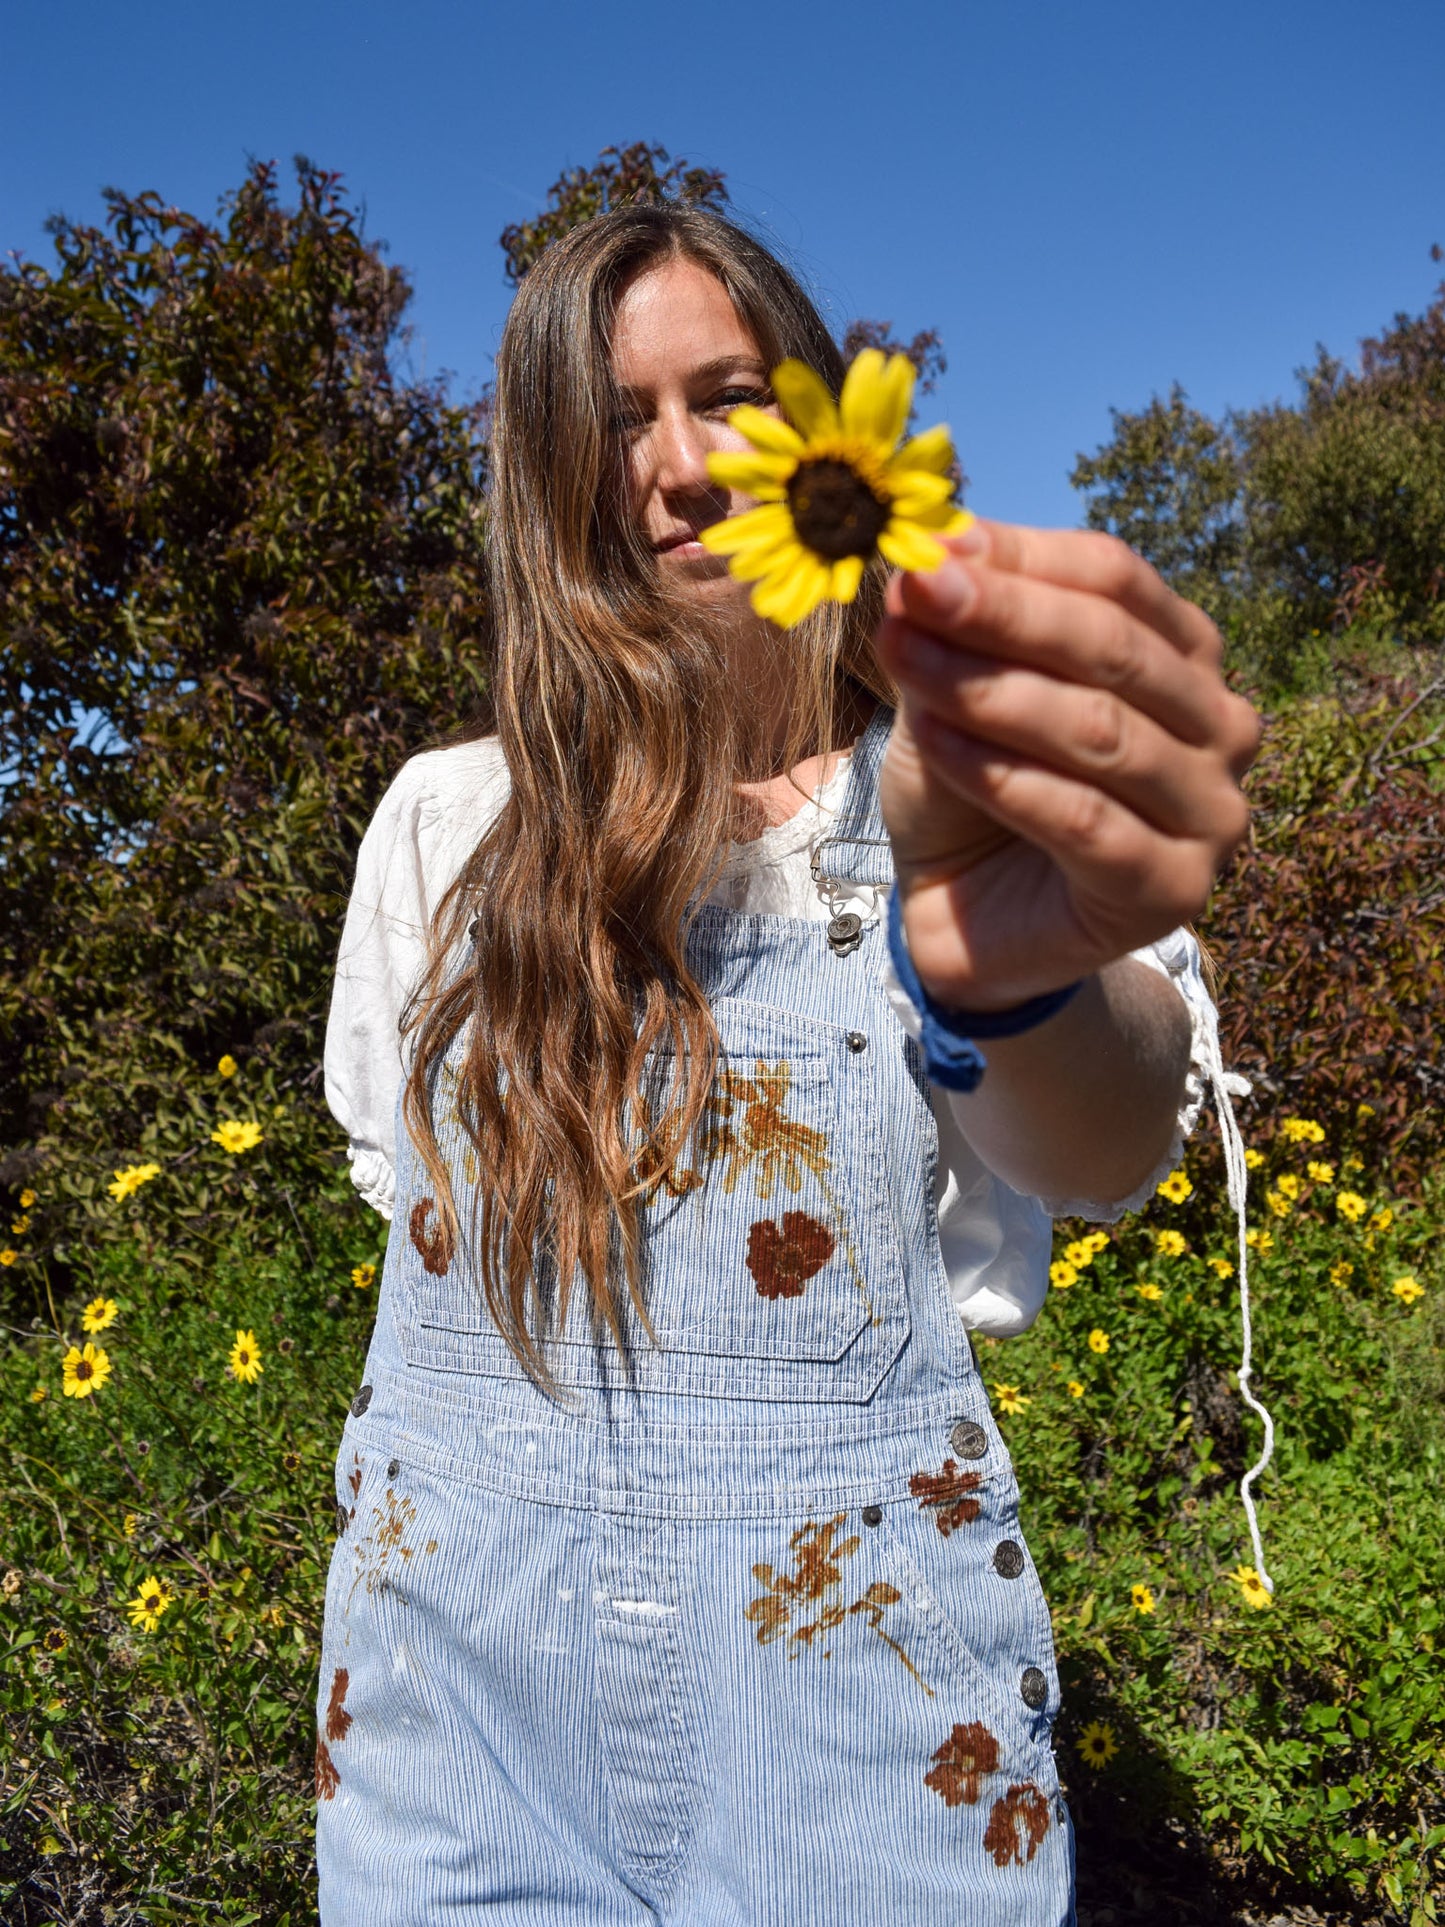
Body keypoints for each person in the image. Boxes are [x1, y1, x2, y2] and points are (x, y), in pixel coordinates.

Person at [316, 203, 1259, 1925]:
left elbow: (1105, 1142)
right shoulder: (450, 828)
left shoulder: (954, 810)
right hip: (453, 1748)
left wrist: (1017, 983)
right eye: (614, 422)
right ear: (552, 476)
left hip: (863, 1743)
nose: (676, 468)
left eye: (728, 397)